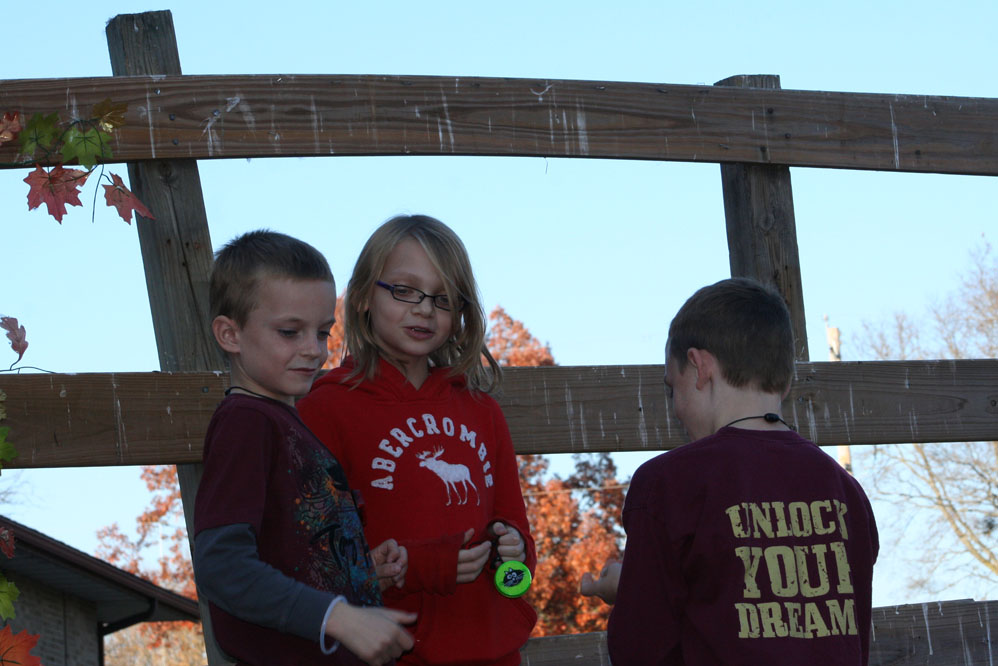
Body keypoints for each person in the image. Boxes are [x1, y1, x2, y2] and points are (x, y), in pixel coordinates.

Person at [580, 277, 879, 665]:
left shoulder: (668, 484)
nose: (675, 409)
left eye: (673, 388)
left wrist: (635, 588)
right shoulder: (846, 492)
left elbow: (641, 649)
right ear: (785, 379)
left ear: (699, 367)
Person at [298, 214, 537, 665]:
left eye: (443, 298)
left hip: (490, 648)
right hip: (388, 649)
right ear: (366, 295)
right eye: (405, 291)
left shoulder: (482, 412)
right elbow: (317, 558)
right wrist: (423, 566)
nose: (424, 309)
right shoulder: (324, 410)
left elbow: (513, 523)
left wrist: (515, 547)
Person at [193, 230, 416, 666]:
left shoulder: (287, 423)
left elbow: (293, 554)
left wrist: (359, 572)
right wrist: (338, 617)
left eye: (322, 332)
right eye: (290, 332)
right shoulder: (245, 423)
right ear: (230, 334)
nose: (313, 350)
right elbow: (222, 567)